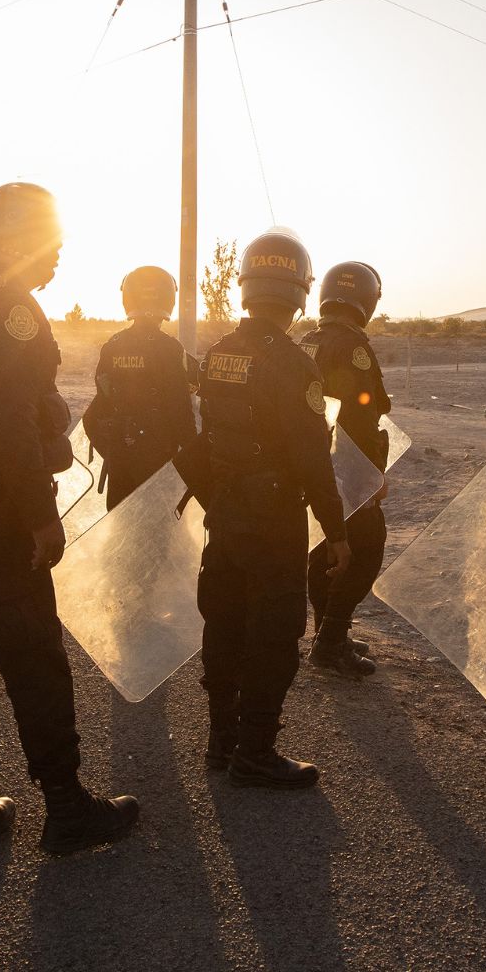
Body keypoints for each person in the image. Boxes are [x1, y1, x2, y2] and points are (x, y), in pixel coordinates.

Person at [0, 183, 137, 859]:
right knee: (35, 662)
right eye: (52, 242)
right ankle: (67, 811)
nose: (58, 256)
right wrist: (41, 517)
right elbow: (4, 421)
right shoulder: (13, 307)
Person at [176, 228, 352, 789]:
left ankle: (221, 739)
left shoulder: (219, 353)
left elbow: (207, 437)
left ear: (248, 285)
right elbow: (312, 458)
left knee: (224, 621)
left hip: (225, 512)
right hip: (273, 518)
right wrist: (336, 531)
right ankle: (255, 751)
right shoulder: (294, 365)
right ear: (299, 291)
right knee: (274, 631)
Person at [300, 261, 388, 679]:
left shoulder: (307, 340)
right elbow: (363, 416)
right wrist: (373, 477)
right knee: (367, 547)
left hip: (315, 463)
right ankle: (331, 643)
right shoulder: (353, 347)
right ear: (366, 300)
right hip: (347, 467)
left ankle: (326, 632)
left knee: (324, 548)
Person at [82, 265, 196, 509]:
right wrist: (195, 463)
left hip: (119, 459)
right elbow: (181, 413)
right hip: (158, 463)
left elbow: (99, 406)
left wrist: (114, 452)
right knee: (157, 527)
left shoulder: (112, 346)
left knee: (119, 525)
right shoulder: (171, 349)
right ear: (168, 299)